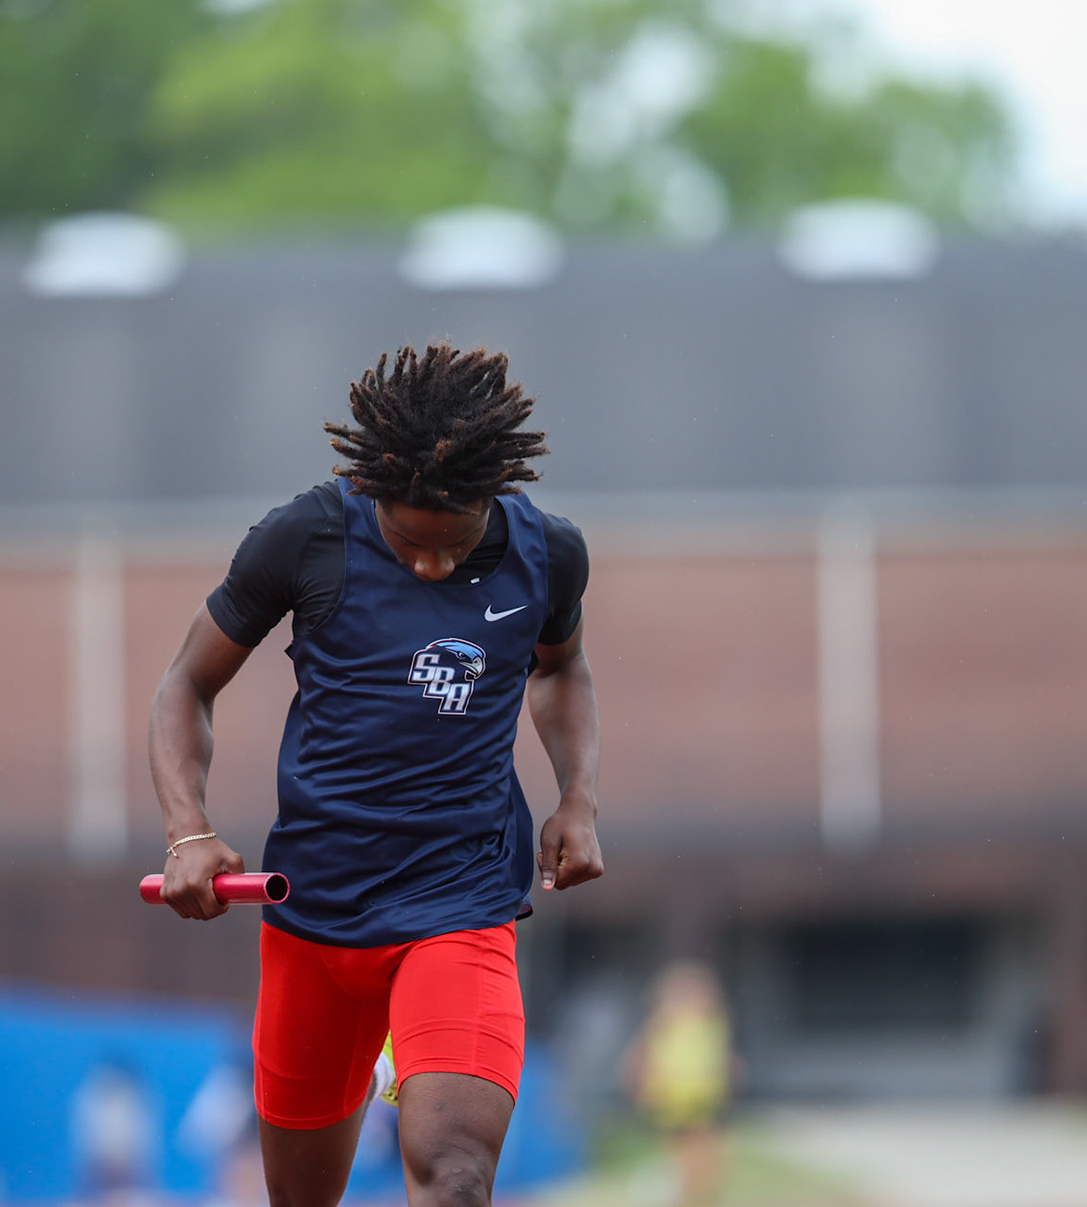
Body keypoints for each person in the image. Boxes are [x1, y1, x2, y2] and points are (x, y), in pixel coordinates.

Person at [148, 343, 603, 1207]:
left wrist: (576, 794)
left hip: (459, 904)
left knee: (456, 1176)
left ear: (492, 499)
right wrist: (188, 830)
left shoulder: (548, 553)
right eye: (409, 543)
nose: (432, 566)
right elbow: (186, 685)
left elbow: (560, 668)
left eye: (454, 544)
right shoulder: (307, 537)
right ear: (372, 496)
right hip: (314, 916)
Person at [624, 962, 733, 1207]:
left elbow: (720, 1059)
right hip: (671, 1097)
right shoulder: (664, 1024)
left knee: (704, 1153)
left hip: (700, 1097)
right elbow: (641, 1056)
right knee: (683, 1154)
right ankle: (681, 1193)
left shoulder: (711, 1025)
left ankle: (695, 1194)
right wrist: (639, 1084)